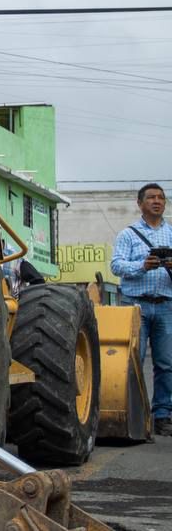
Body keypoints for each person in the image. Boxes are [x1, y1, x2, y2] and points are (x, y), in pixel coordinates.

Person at [110, 182, 172, 436]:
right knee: (133, 362)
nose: (157, 201)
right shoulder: (128, 234)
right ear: (140, 204)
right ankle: (135, 416)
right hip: (135, 305)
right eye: (151, 198)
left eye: (161, 197)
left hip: (166, 305)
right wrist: (142, 265)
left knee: (166, 364)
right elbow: (116, 266)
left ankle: (162, 416)